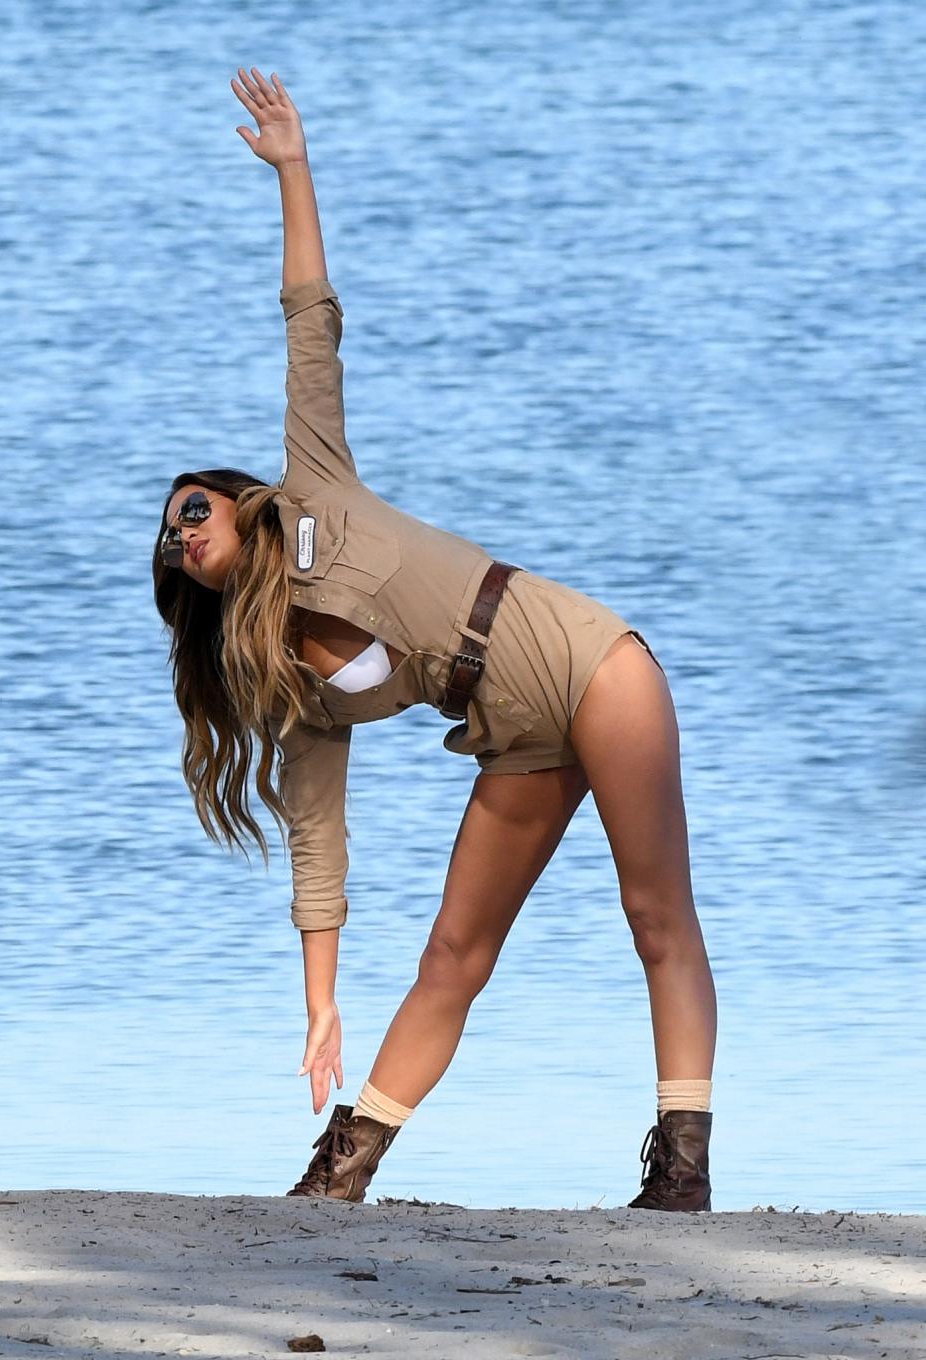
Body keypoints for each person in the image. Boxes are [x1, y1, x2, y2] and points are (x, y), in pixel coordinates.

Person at [152, 67, 718, 1211]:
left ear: (233, 497)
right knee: (451, 959)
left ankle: (683, 1169)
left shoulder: (312, 484)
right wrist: (319, 1000)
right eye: (169, 542)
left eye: (191, 509)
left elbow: (310, 316)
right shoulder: (285, 693)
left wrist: (294, 169)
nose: (182, 534)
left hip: (582, 657)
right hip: (509, 729)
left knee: (655, 912)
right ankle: (338, 1173)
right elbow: (319, 849)